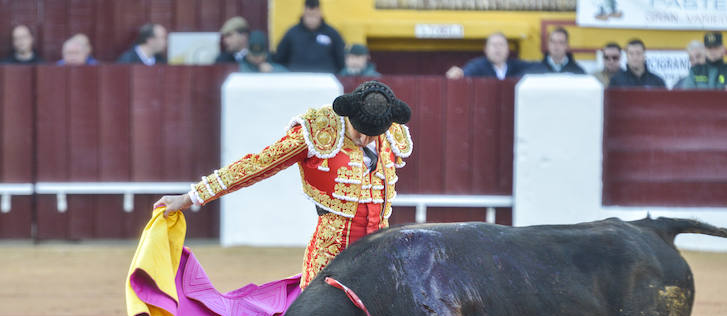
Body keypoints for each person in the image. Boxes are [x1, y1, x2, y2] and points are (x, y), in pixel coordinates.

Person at [154, 80, 413, 288]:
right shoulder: (317, 131)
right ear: (349, 115)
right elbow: (257, 165)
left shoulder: (390, 133)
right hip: (331, 257)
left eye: (373, 134)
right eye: (360, 131)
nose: (366, 138)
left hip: (379, 255)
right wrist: (190, 197)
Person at [273, 0, 345, 73]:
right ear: (303, 14)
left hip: (325, 78)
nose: (311, 19)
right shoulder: (292, 33)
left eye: (314, 15)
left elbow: (341, 59)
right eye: (308, 15)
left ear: (320, 14)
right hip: (297, 77)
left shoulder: (332, 33)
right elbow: (280, 58)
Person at [445, 32, 538, 79]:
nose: (498, 48)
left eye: (501, 45)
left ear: (508, 50)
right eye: (493, 45)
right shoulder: (478, 66)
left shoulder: (516, 65)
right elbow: (465, 73)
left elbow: (538, 67)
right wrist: (459, 74)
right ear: (486, 49)